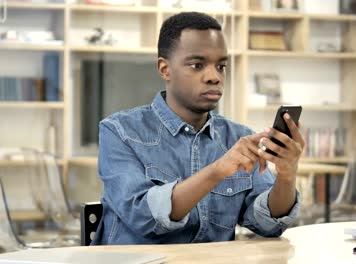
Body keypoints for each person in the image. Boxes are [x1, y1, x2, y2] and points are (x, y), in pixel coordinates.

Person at [92, 12, 304, 245]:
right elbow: (144, 217)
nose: (214, 77)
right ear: (165, 69)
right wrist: (217, 171)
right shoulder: (118, 132)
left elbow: (267, 224)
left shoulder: (238, 137)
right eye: (197, 65)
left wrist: (286, 174)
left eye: (221, 66)